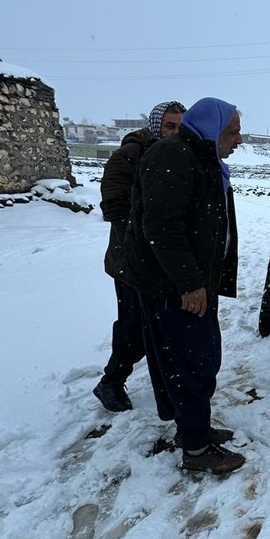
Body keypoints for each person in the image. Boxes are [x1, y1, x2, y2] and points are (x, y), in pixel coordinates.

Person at [121, 98, 245, 475]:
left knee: (201, 359)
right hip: (173, 286)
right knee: (189, 363)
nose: (239, 140)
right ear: (212, 129)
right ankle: (196, 449)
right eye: (233, 131)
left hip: (191, 281)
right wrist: (190, 284)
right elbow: (162, 228)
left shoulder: (202, 159)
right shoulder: (172, 157)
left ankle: (195, 429)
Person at [93, 100, 186, 412]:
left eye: (179, 127)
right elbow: (114, 207)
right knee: (135, 324)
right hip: (130, 260)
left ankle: (165, 378)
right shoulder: (129, 155)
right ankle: (111, 381)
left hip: (157, 260)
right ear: (155, 125)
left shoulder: (174, 155)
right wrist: (149, 228)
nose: (174, 132)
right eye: (169, 126)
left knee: (156, 324)